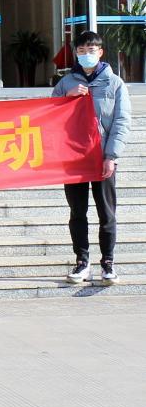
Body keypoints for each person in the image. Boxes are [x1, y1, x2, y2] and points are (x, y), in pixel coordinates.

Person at [54, 30, 129, 285]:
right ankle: (82, 262)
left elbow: (121, 122)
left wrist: (111, 156)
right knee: (77, 212)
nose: (87, 54)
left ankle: (108, 263)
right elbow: (49, 116)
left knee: (106, 213)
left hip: (102, 158)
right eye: (82, 50)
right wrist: (66, 98)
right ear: (76, 53)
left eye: (91, 50)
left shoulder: (114, 83)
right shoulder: (65, 83)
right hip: (74, 159)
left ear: (101, 52)